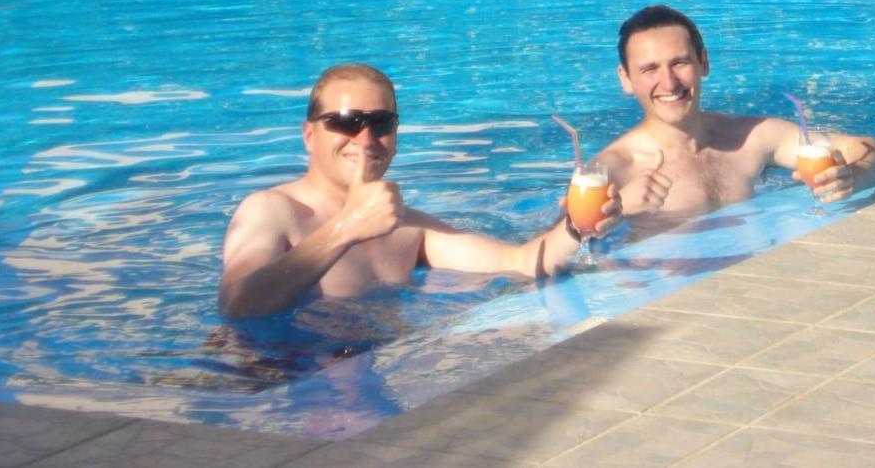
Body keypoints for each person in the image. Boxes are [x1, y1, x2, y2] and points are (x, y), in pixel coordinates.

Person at [218, 62, 620, 319]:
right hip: (272, 389)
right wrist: (346, 228)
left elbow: (519, 262)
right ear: (309, 135)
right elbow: (237, 306)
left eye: (381, 123)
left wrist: (576, 226)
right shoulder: (271, 211)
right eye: (345, 122)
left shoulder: (408, 229)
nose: (365, 138)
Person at [596, 6, 875, 226]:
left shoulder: (748, 138)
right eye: (650, 69)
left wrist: (852, 179)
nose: (670, 83)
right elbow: (568, 248)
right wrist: (617, 210)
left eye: (680, 63)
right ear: (626, 79)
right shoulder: (615, 168)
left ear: (703, 63)